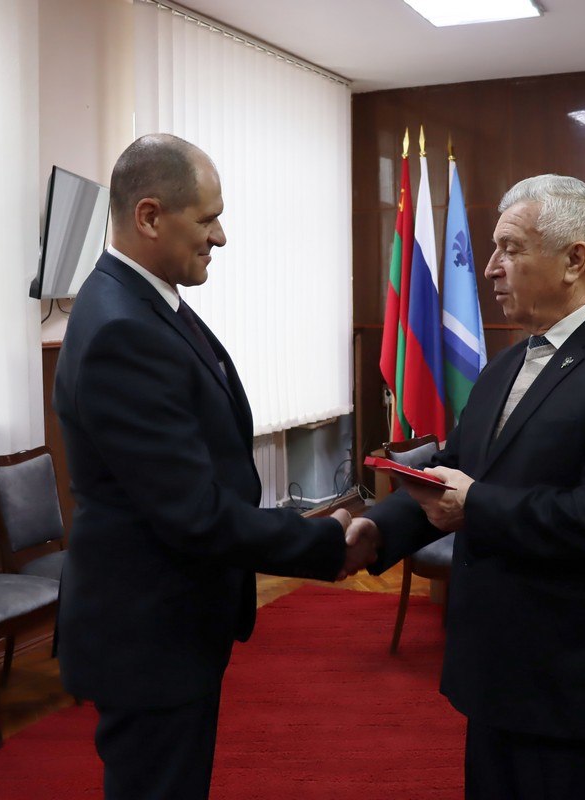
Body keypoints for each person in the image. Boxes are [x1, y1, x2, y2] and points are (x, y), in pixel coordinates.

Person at [53, 133, 379, 799]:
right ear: (149, 216)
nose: (220, 237)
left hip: (170, 621)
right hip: (149, 633)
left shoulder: (143, 302)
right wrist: (323, 543)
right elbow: (192, 512)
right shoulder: (122, 328)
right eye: (207, 220)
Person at [352, 175, 585, 799]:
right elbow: (451, 471)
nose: (489, 268)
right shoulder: (506, 364)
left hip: (578, 679)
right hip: (496, 671)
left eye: (510, 249)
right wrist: (376, 531)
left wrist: (477, 504)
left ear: (574, 260)